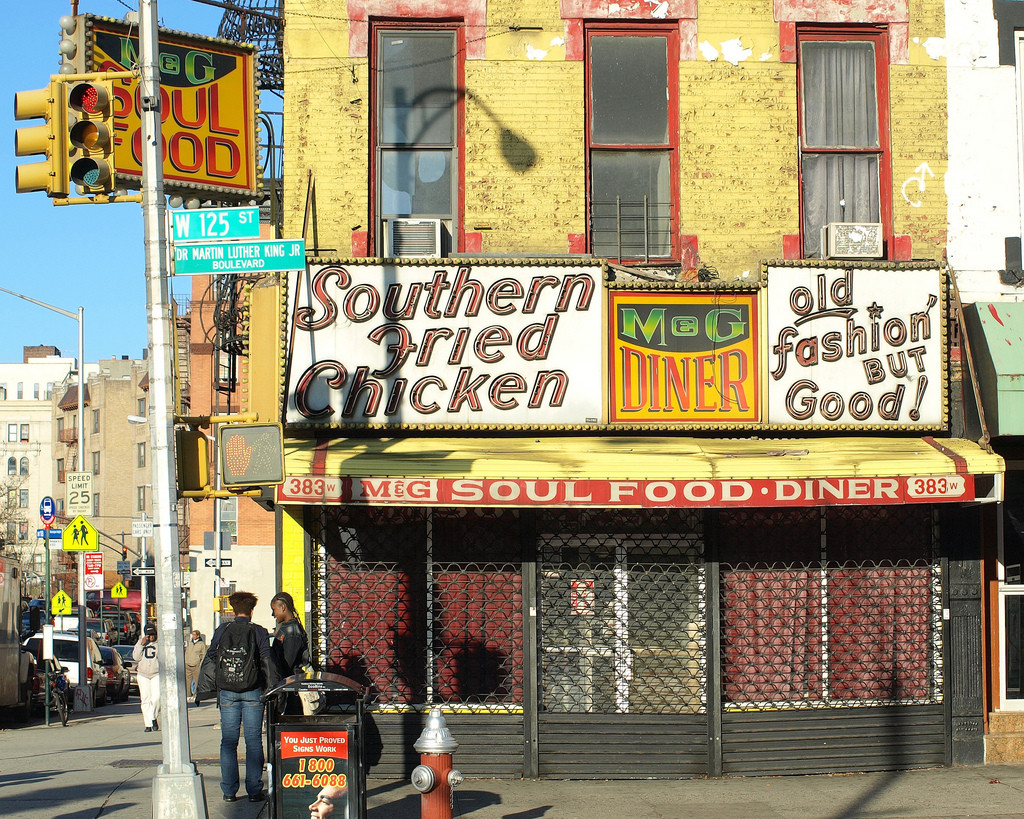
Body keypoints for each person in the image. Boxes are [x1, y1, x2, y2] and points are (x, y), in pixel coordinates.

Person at [195, 591, 278, 803]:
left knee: (228, 741)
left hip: (228, 691)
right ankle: (253, 790)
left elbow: (212, 657)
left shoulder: (222, 630)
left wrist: (208, 687)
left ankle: (229, 791)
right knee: (253, 740)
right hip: (253, 690)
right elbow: (267, 660)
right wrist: (272, 688)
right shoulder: (258, 631)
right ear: (251, 610)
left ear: (233, 610)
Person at [133, 622, 160, 733]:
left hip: (156, 673)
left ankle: (153, 717)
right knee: (145, 699)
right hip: (143, 674)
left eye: (153, 634)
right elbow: (135, 657)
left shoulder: (159, 644)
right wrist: (141, 645)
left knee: (157, 698)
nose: (151, 637)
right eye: (149, 635)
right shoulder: (141, 642)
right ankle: (148, 724)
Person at [183, 629, 206, 701]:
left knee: (196, 681)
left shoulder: (201, 644)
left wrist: (200, 664)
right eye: (192, 635)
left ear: (198, 636)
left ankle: (195, 694)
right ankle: (188, 695)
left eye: (194, 635)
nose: (193, 636)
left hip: (196, 665)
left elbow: (203, 655)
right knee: (188, 681)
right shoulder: (190, 643)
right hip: (188, 664)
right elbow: (186, 652)